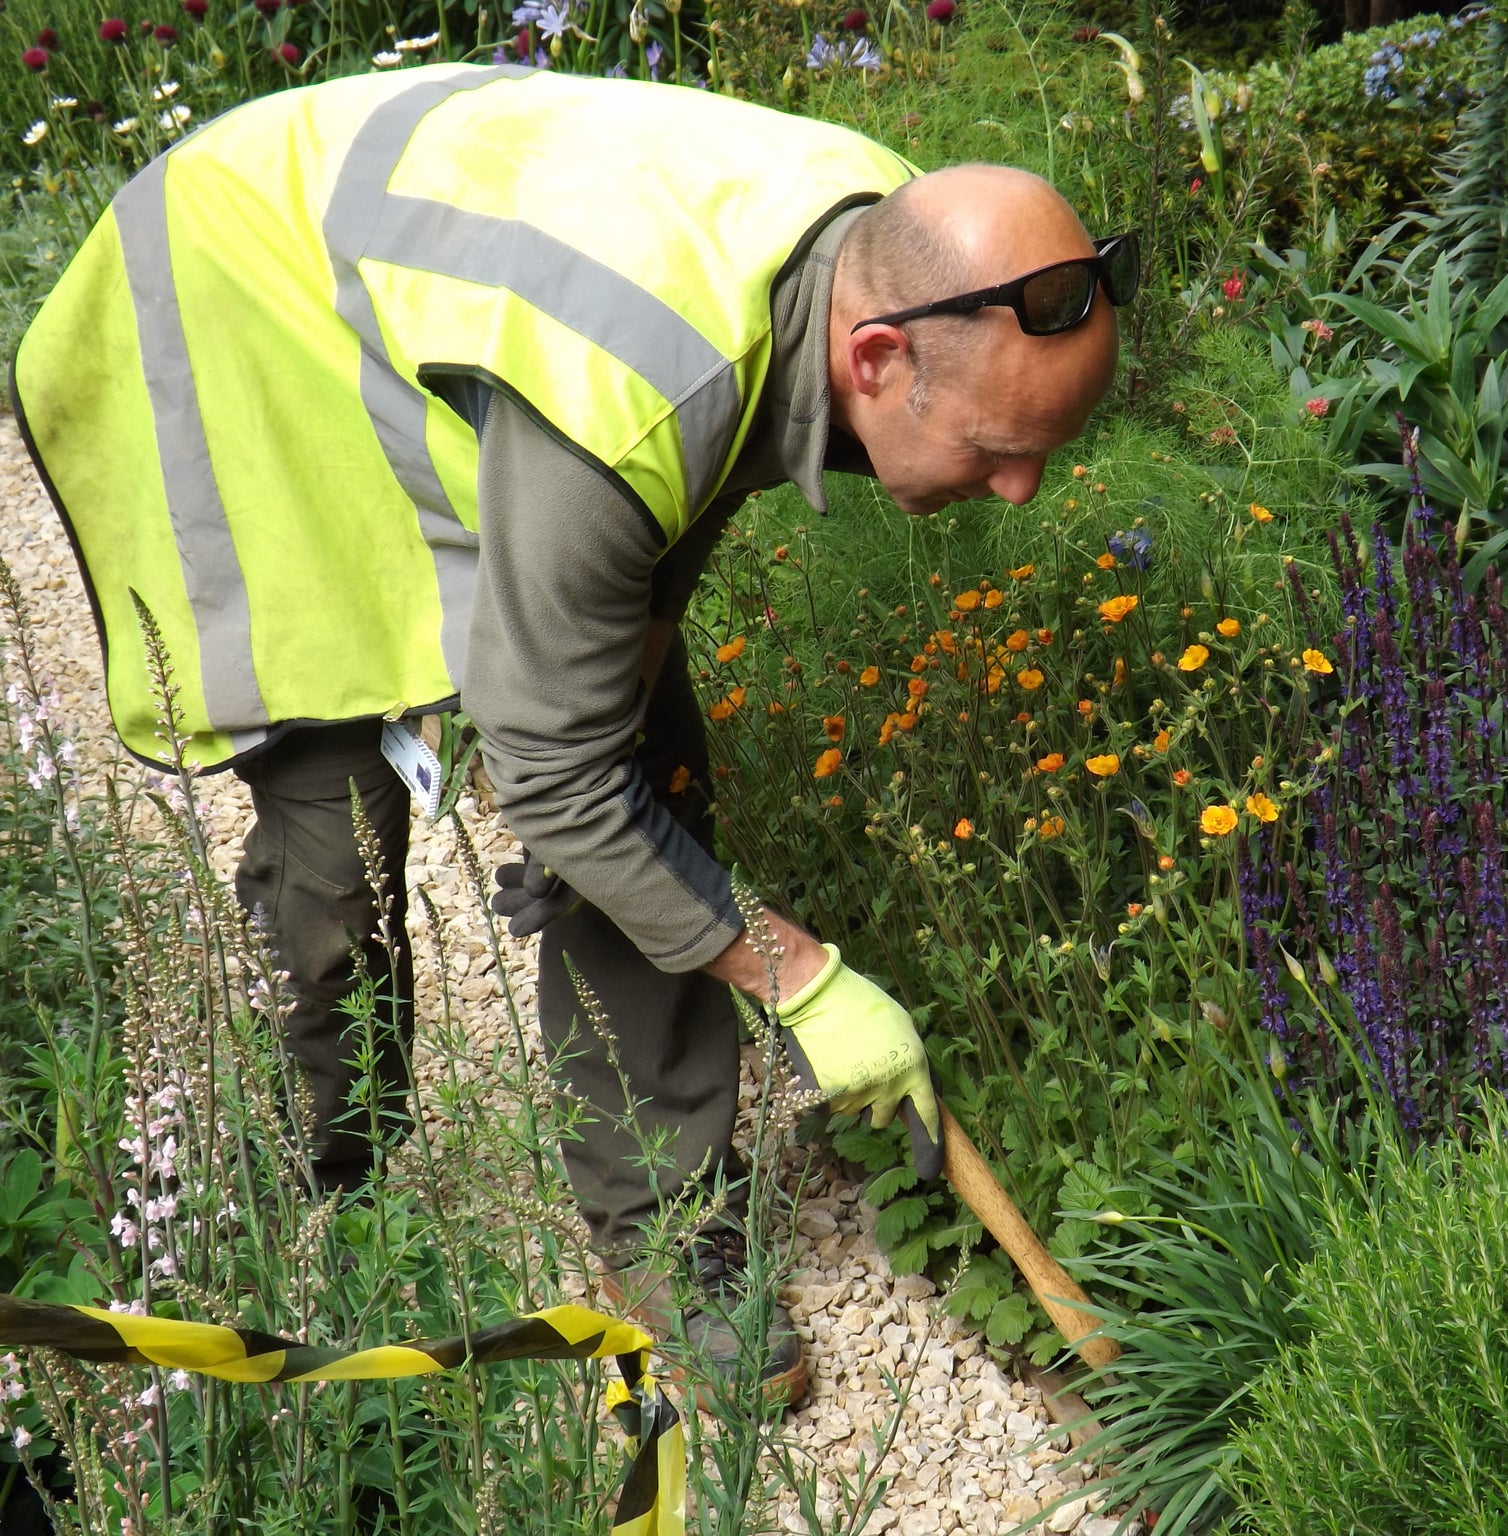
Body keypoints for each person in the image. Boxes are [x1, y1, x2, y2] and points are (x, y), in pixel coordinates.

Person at [11, 62, 1127, 1404]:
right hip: (238, 300)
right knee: (337, 823)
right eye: (1001, 447)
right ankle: (339, 1197)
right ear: (877, 358)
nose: (1021, 487)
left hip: (425, 291)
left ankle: (654, 1219)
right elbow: (653, 449)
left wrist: (614, 732)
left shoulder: (877, 246)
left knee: (637, 773)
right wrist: (798, 976)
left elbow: (695, 477)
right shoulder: (640, 382)